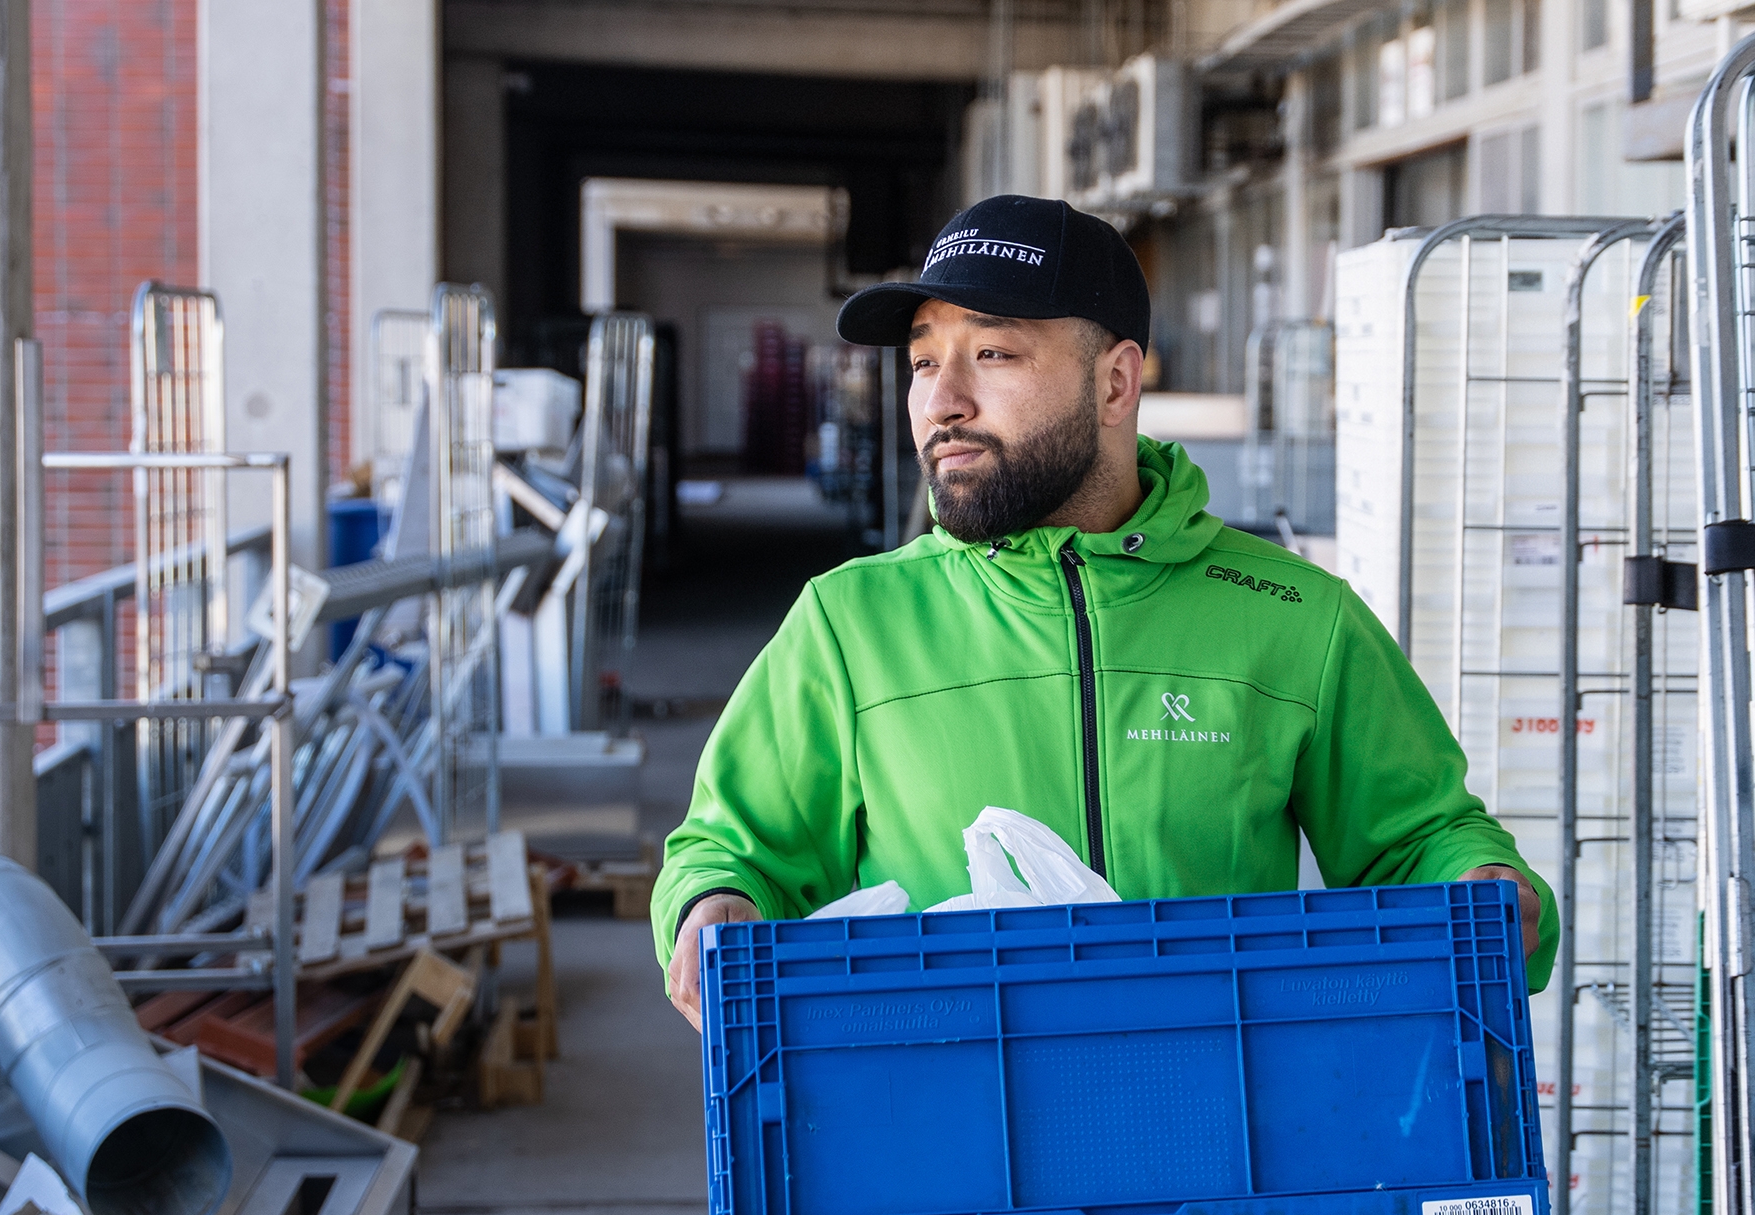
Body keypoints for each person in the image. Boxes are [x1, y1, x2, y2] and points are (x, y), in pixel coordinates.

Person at [652, 194, 1556, 1030]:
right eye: (925, 361)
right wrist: (709, 904)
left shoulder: (1295, 618)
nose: (941, 401)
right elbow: (738, 849)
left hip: (1225, 1142)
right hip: (945, 1146)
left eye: (992, 354)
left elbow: (1420, 842)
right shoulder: (850, 626)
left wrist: (1485, 886)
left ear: (1116, 383)